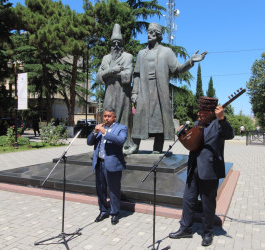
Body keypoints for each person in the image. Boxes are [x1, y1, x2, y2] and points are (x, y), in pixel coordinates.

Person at [131, 22, 207, 154]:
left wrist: (190, 62)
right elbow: (136, 74)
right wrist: (134, 92)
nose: (150, 34)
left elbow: (177, 68)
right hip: (144, 89)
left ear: (158, 35)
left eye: (153, 32)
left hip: (158, 89)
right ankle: (134, 146)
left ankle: (157, 148)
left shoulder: (167, 52)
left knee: (159, 117)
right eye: (148, 32)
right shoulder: (141, 53)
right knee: (139, 117)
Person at [169, 96, 234, 247]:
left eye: (202, 111)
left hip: (210, 169)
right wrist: (182, 133)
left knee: (207, 203)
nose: (198, 114)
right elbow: (191, 142)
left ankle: (208, 233)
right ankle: (185, 229)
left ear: (210, 112)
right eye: (199, 111)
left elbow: (230, 134)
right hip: (194, 167)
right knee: (188, 199)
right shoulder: (198, 124)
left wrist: (223, 118)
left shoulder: (219, 123)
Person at [96, 23, 135, 155]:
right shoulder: (105, 58)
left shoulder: (128, 57)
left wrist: (108, 73)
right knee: (107, 118)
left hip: (123, 93)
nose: (116, 45)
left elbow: (127, 76)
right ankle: (106, 144)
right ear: (111, 44)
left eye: (119, 42)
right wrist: (113, 70)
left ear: (122, 43)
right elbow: (98, 77)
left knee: (123, 118)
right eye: (114, 43)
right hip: (109, 93)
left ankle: (125, 144)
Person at [87, 108, 127, 225]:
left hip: (112, 164)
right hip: (99, 163)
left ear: (114, 117)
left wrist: (105, 132)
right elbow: (89, 142)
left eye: (109, 116)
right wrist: (95, 132)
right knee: (100, 189)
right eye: (105, 116)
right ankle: (103, 211)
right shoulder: (99, 128)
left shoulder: (121, 128)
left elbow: (120, 141)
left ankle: (114, 213)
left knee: (114, 190)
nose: (106, 118)